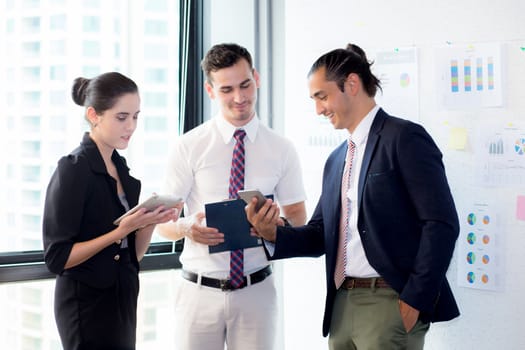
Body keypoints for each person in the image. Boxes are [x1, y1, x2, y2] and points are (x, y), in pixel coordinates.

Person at [246, 43, 460, 350]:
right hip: (342, 303)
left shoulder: (404, 138)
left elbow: (441, 224)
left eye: (322, 96)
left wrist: (415, 298)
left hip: (390, 302)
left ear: (352, 84)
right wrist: (273, 233)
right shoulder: (337, 159)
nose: (318, 109)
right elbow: (321, 234)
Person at [158, 43, 307, 350]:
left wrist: (274, 225)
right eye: (227, 89)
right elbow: (163, 224)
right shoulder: (189, 146)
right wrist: (187, 229)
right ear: (210, 91)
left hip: (257, 290)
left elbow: (298, 219)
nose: (239, 98)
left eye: (245, 85)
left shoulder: (281, 148)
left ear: (256, 77)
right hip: (198, 293)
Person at [43, 72, 181, 350]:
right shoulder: (73, 169)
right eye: (122, 117)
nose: (131, 126)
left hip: (123, 297)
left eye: (136, 116)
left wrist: (151, 221)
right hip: (85, 305)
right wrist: (120, 231)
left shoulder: (123, 172)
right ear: (94, 115)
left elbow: (133, 255)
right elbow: (57, 258)